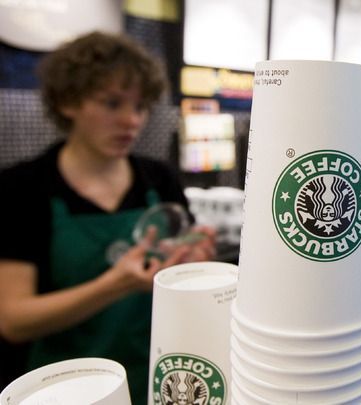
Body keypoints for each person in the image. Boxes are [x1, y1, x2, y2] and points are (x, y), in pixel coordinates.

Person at [0, 32, 215, 403]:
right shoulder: (22, 189)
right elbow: (14, 320)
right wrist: (113, 285)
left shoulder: (158, 178)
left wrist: (194, 263)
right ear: (68, 101)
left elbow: (184, 258)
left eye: (140, 106)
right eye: (112, 103)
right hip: (69, 387)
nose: (131, 121)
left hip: (160, 375)